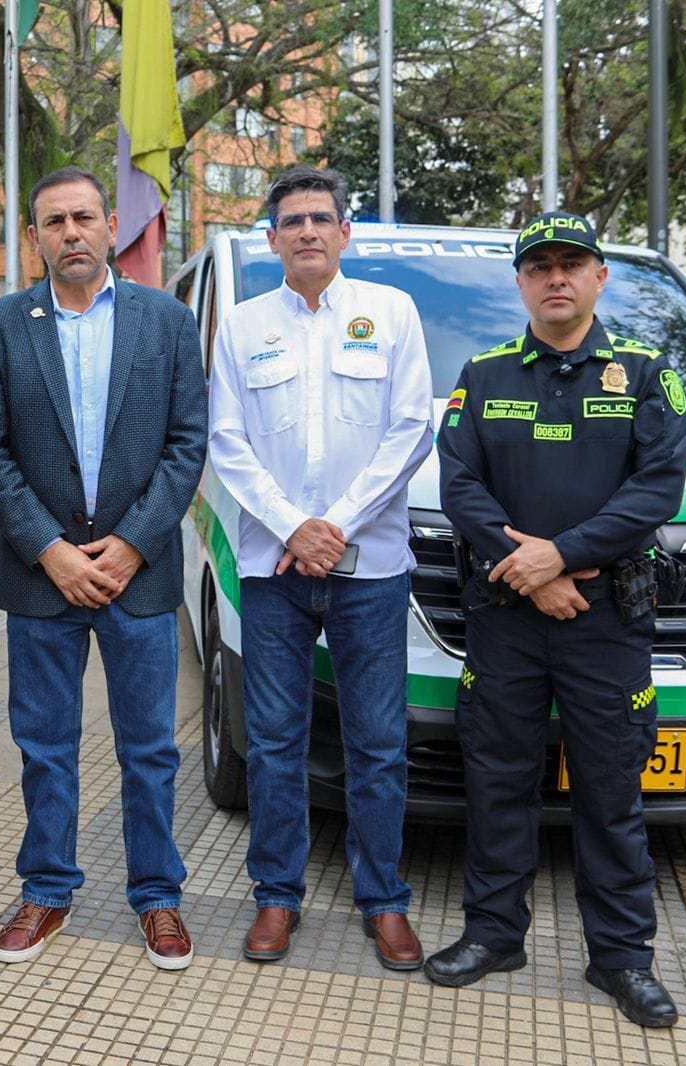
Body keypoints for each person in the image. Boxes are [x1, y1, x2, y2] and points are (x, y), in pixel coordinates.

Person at [426, 211, 686, 1028]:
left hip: (606, 618)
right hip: (506, 615)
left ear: (599, 277)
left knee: (611, 791)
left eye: (571, 263)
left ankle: (622, 958)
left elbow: (657, 490)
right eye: (538, 266)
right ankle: (495, 933)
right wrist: (534, 572)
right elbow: (459, 485)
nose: (555, 278)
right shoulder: (486, 372)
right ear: (521, 283)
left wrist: (564, 555)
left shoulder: (646, 374)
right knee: (497, 780)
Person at [0, 166, 207, 971]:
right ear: (34, 237)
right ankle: (46, 889)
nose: (71, 233)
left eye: (84, 218)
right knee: (44, 743)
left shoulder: (167, 321)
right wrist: (51, 549)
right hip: (43, 574)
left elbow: (186, 444)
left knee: (150, 748)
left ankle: (159, 898)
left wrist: (134, 541)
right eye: (53, 221)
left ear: (112, 227)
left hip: (140, 570)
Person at [207, 164, 434, 969]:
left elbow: (412, 431)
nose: (306, 230)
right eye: (291, 220)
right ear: (271, 240)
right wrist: (292, 529)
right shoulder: (241, 325)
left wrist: (332, 526)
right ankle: (277, 896)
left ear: (346, 233)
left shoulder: (391, 313)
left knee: (377, 741)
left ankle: (384, 901)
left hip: (369, 568)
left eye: (320, 218)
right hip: (274, 572)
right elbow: (225, 441)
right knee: (272, 742)